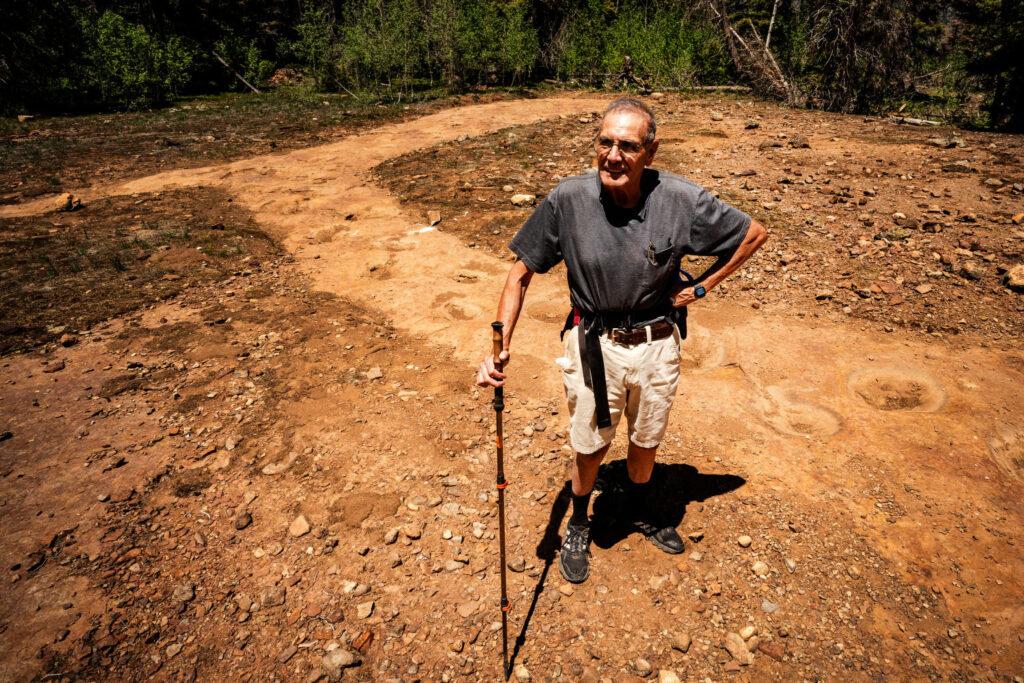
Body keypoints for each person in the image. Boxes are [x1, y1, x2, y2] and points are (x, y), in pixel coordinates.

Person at [476, 98, 767, 584]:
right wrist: (500, 346)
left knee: (646, 438)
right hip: (594, 343)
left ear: (649, 153)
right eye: (605, 142)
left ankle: (639, 508)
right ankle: (579, 521)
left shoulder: (679, 200)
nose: (613, 155)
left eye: (628, 146)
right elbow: (521, 271)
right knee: (590, 446)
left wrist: (701, 287)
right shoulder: (568, 200)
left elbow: (753, 234)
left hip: (658, 342)